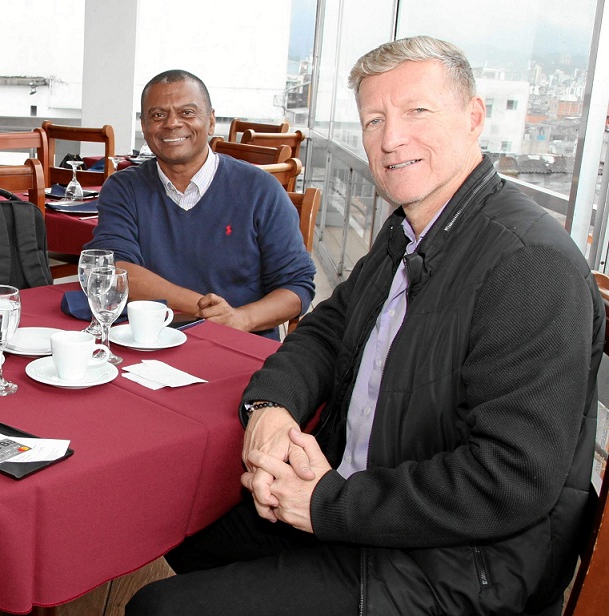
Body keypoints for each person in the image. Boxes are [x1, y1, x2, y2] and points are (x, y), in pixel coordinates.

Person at [127, 36, 603, 616]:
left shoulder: (531, 264)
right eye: (374, 119)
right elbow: (326, 332)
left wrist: (327, 504)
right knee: (182, 526)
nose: (390, 138)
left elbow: (510, 480)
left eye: (416, 112)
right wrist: (270, 406)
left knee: (156, 609)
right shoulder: (409, 231)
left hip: (460, 563)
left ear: (475, 117)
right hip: (364, 497)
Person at [84, 70, 315, 340]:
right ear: (144, 126)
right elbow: (117, 271)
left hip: (239, 346)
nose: (172, 124)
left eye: (187, 113)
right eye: (158, 115)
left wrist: (240, 318)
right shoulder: (123, 188)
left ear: (211, 121)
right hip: (149, 341)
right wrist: (206, 308)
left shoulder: (260, 189)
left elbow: (297, 285)